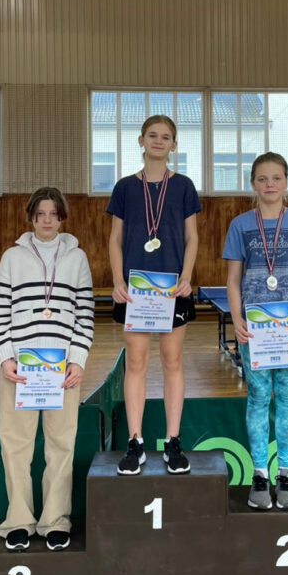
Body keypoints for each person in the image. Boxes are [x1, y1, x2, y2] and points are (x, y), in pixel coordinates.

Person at [0, 187, 94, 551]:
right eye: (40, 214)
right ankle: (18, 520)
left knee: (61, 445)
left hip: (61, 370)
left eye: (53, 214)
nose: (47, 220)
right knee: (16, 446)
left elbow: (85, 314)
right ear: (31, 218)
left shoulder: (77, 258)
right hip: (20, 368)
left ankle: (55, 521)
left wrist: (77, 360)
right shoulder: (12, 257)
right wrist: (6, 357)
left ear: (62, 218)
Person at [107, 115, 201, 476]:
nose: (158, 141)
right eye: (152, 135)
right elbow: (115, 239)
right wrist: (118, 280)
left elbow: (192, 237)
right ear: (140, 140)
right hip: (136, 290)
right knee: (136, 362)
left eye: (165, 137)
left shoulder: (184, 186)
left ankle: (173, 440)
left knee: (172, 361)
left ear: (174, 145)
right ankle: (135, 442)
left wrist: (187, 276)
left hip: (173, 288)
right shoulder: (125, 187)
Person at [223, 153, 288, 511]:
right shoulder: (240, 225)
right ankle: (260, 474)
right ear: (253, 184)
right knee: (259, 397)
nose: (270, 184)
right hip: (255, 329)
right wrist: (237, 319)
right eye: (262, 178)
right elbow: (233, 279)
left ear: (287, 182)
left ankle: (285, 474)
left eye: (276, 177)